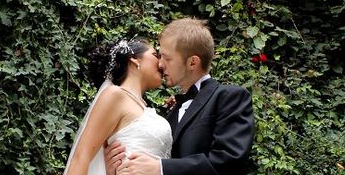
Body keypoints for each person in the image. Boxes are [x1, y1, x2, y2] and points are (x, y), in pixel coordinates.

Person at [105, 18, 254, 175]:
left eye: (167, 58)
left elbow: (228, 161)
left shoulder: (229, 97)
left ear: (192, 63)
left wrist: (161, 168)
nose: (160, 64)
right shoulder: (172, 109)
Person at [63, 39, 173, 175]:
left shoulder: (143, 107)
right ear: (134, 59)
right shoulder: (115, 95)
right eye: (155, 55)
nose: (161, 63)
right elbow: (81, 157)